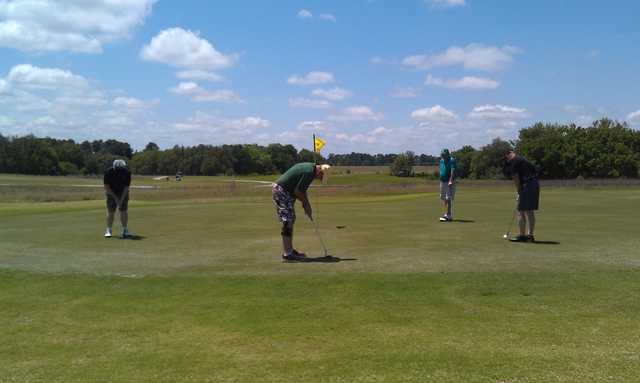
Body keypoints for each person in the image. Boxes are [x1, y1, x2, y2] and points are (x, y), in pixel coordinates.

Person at [272, 162, 330, 261]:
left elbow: (301, 190)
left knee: (290, 219)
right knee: (288, 220)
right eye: (321, 177)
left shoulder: (311, 169)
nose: (319, 179)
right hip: (282, 191)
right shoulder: (309, 173)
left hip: (286, 191)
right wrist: (307, 204)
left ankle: (289, 250)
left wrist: (306, 204)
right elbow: (298, 192)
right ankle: (287, 253)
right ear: (320, 171)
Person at [505, 150, 540, 242]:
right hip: (534, 183)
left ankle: (522, 236)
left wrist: (519, 191)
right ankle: (530, 236)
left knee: (520, 210)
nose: (507, 161)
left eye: (506, 159)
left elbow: (516, 178)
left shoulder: (514, 162)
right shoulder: (523, 160)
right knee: (529, 210)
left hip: (527, 184)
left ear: (508, 155)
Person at [103, 159, 132, 238]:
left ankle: (125, 229)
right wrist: (116, 199)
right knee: (111, 212)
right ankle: (108, 230)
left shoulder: (127, 172)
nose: (119, 171)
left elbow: (126, 187)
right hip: (111, 192)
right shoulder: (108, 172)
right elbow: (107, 187)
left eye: (121, 169)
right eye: (117, 169)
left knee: (123, 211)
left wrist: (121, 199)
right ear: (114, 167)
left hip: (123, 192)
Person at [438, 148, 457, 222]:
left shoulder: (452, 160)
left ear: (447, 155)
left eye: (444, 155)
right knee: (443, 198)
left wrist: (450, 180)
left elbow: (453, 170)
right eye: (442, 155)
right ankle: (447, 214)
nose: (443, 156)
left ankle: (448, 215)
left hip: (449, 182)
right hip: (442, 181)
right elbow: (441, 169)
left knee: (448, 198)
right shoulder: (441, 161)